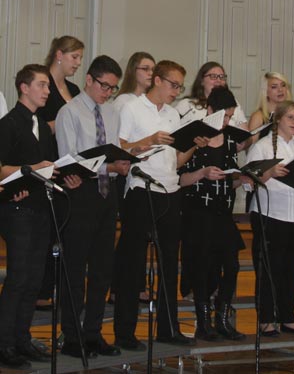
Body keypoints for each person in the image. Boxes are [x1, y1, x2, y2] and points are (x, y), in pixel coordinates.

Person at [114, 60, 207, 349]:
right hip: (142, 189)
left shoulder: (173, 115)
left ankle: (168, 329)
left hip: (170, 189)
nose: (176, 91)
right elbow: (119, 150)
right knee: (133, 263)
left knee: (168, 262)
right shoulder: (131, 107)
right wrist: (149, 140)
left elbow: (177, 160)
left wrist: (194, 145)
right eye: (173, 84)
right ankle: (125, 333)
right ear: (156, 80)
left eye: (180, 86)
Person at [0, 64, 79, 368]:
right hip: (16, 208)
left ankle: (21, 339)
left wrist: (66, 175)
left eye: (48, 85)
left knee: (34, 280)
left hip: (40, 207)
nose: (48, 91)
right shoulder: (8, 124)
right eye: (42, 85)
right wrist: (26, 172)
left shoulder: (41, 126)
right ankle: (5, 342)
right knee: (19, 278)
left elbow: (49, 166)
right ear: (24, 87)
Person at [55, 55, 130, 358]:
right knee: (75, 269)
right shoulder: (68, 112)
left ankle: (94, 333)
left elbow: (110, 151)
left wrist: (119, 164)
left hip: (105, 194)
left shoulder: (111, 112)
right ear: (88, 79)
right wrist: (107, 165)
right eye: (103, 86)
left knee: (102, 269)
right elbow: (68, 158)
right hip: (80, 193)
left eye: (112, 88)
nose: (107, 92)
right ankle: (72, 336)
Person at [247, 100, 294, 337]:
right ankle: (266, 319)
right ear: (278, 119)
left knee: (291, 269)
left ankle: (287, 316)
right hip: (272, 215)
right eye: (290, 117)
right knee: (270, 268)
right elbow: (248, 183)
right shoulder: (262, 147)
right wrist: (269, 173)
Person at [178, 86, 248, 341]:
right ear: (209, 111)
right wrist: (203, 172)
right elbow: (181, 178)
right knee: (202, 267)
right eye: (224, 116)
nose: (227, 122)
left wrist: (244, 178)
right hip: (198, 212)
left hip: (222, 212)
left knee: (231, 265)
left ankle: (222, 319)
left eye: (230, 117)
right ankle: (202, 322)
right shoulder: (195, 136)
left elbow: (230, 178)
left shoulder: (229, 139)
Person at [36, 35, 84, 310]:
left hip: (70, 162)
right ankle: (42, 290)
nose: (77, 62)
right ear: (58, 54)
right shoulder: (43, 84)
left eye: (79, 57)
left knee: (65, 230)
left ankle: (55, 287)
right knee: (48, 230)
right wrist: (62, 122)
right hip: (48, 161)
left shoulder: (75, 89)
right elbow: (36, 124)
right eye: (74, 56)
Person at [109, 51, 156, 306]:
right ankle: (120, 286)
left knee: (139, 235)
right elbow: (118, 141)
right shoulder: (124, 101)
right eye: (145, 69)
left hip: (142, 174)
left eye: (152, 69)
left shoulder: (149, 104)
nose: (150, 74)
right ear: (132, 71)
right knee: (131, 235)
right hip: (124, 176)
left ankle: (134, 284)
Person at [176, 61, 247, 127]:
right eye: (213, 76)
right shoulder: (186, 104)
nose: (218, 80)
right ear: (202, 81)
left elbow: (246, 136)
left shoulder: (233, 104)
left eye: (222, 77)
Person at [248, 72, 292, 143]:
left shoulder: (292, 115)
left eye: (283, 85)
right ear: (266, 92)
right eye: (274, 87)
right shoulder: (258, 117)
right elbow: (250, 149)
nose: (280, 90)